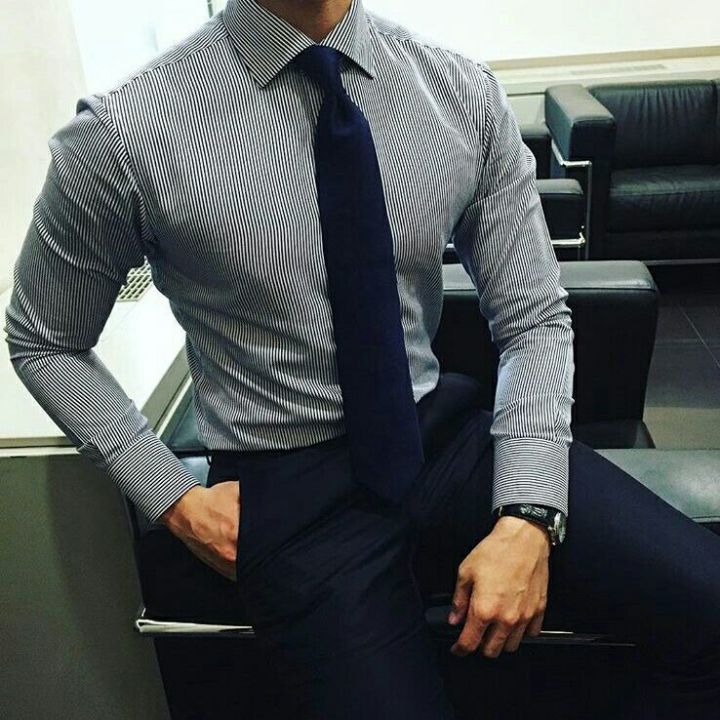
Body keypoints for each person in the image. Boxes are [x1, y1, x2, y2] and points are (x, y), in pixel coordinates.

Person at [4, 0, 719, 717]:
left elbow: (533, 316)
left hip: (437, 436)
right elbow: (44, 339)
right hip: (289, 485)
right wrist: (172, 498)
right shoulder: (123, 133)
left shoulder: (457, 93)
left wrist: (527, 514)